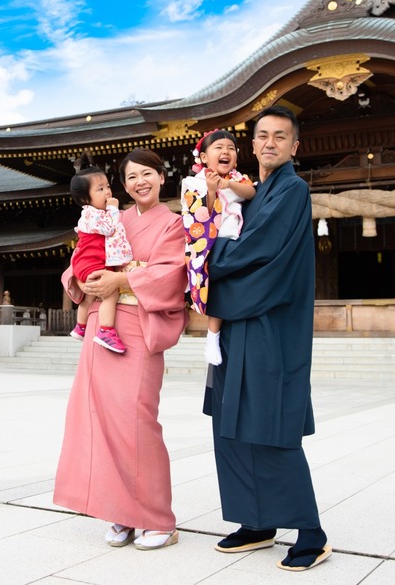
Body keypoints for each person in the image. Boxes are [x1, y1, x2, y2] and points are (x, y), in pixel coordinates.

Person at [203, 106, 331, 572]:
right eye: (263, 136)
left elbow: (259, 253)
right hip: (236, 324)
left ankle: (311, 533)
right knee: (229, 422)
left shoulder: (292, 190)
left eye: (281, 136)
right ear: (251, 144)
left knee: (270, 426)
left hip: (267, 324)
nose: (271, 142)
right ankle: (256, 522)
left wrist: (203, 260)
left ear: (295, 146)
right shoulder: (251, 193)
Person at [54, 149, 189, 551]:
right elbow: (82, 254)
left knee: (138, 421)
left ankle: (156, 516)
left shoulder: (175, 224)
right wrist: (88, 276)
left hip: (138, 327)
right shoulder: (111, 217)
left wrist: (122, 281)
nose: (139, 182)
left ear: (163, 177)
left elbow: (173, 272)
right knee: (100, 420)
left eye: (147, 174)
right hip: (102, 326)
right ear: (123, 184)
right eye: (131, 177)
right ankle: (120, 512)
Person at [180, 129, 255, 365]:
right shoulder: (193, 182)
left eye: (231, 148)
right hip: (210, 246)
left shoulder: (238, 178)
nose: (226, 152)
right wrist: (212, 190)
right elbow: (200, 215)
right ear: (203, 158)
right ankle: (212, 336)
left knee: (235, 288)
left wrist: (229, 183)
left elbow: (251, 192)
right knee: (219, 291)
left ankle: (216, 335)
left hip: (236, 242)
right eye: (219, 148)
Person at [68, 165, 133, 353]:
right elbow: (109, 228)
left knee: (88, 297)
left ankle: (80, 326)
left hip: (86, 262)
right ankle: (106, 330)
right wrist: (113, 209)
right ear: (84, 199)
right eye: (100, 189)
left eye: (107, 186)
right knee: (110, 294)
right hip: (91, 263)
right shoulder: (93, 214)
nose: (107, 192)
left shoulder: (92, 214)